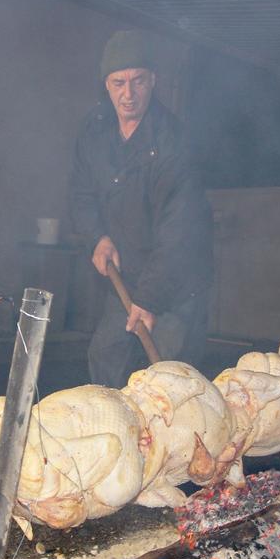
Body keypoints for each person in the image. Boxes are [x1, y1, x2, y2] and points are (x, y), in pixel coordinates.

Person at [68, 30, 214, 388]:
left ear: (153, 81)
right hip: (125, 279)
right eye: (119, 83)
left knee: (168, 378)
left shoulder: (175, 144)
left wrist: (149, 299)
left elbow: (178, 235)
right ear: (106, 84)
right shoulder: (95, 131)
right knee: (106, 357)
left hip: (175, 285)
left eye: (137, 81)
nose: (128, 94)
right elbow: (81, 194)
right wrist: (97, 238)